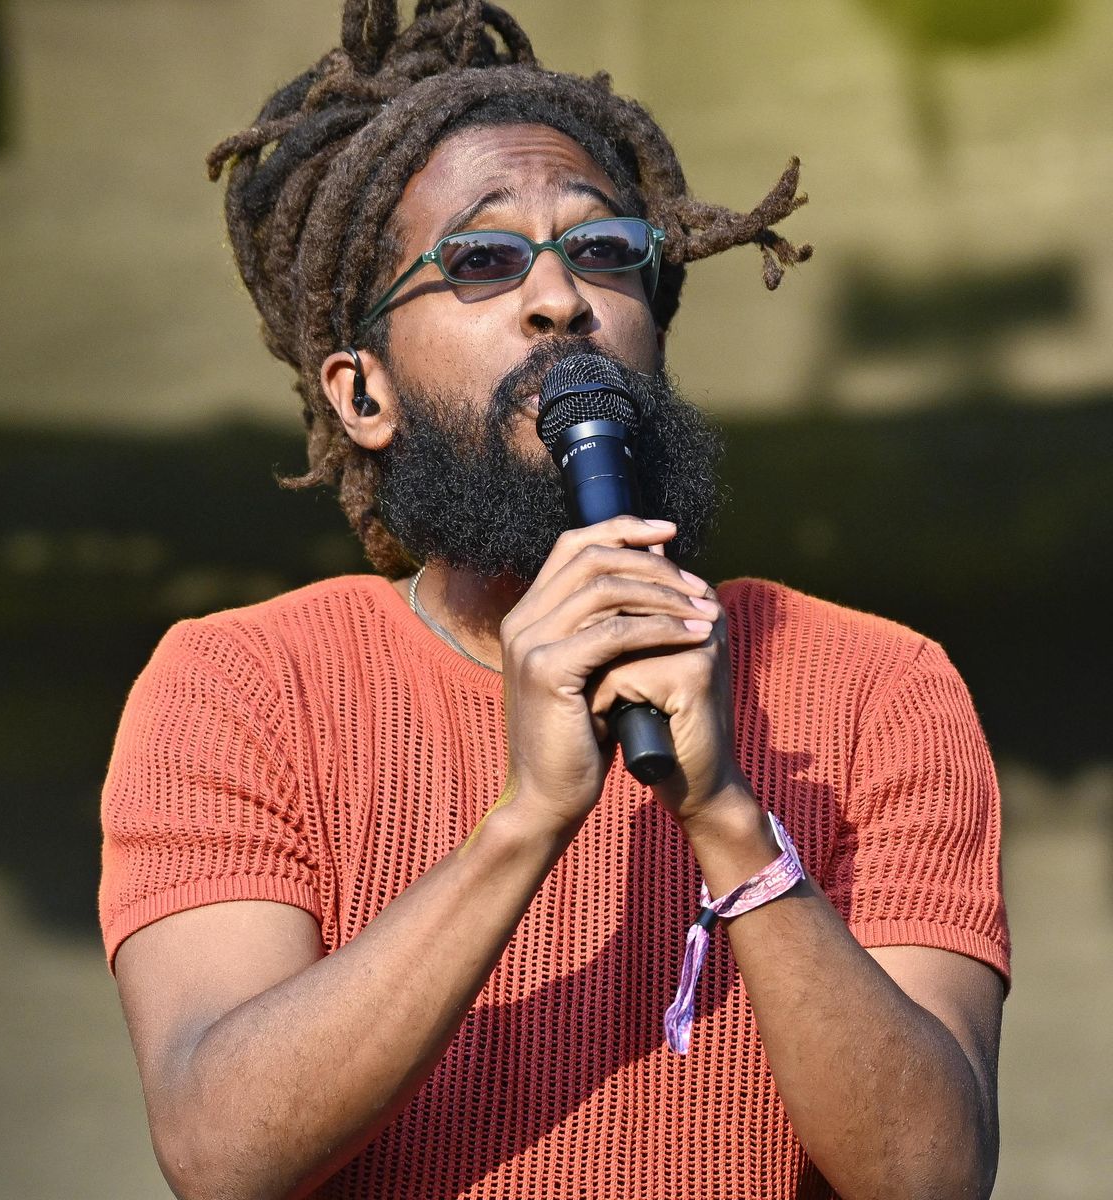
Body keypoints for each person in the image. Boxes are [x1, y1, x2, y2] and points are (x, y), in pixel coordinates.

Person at [99, 3, 1009, 1198]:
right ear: (362, 393)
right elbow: (221, 1151)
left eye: (603, 250)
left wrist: (727, 816)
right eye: (481, 260)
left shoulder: (878, 684)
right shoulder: (243, 684)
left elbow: (931, 1175)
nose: (561, 299)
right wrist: (530, 817)